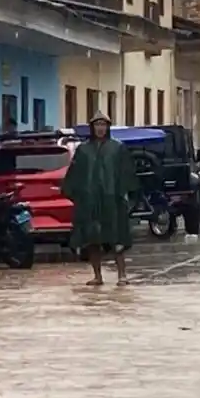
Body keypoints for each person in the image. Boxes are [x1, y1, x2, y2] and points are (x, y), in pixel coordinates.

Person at [62, 110, 139, 287]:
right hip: (90, 201)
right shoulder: (84, 150)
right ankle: (98, 276)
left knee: (117, 240)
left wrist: (126, 195)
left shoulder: (117, 148)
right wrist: (76, 195)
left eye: (103, 125)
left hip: (112, 200)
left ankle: (122, 275)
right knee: (92, 240)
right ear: (92, 127)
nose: (100, 128)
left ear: (108, 127)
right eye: (97, 125)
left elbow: (126, 173)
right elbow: (75, 174)